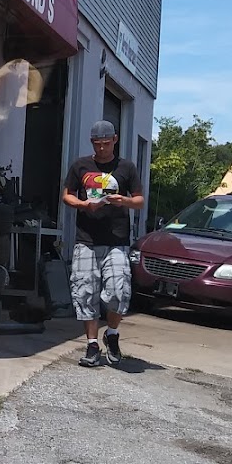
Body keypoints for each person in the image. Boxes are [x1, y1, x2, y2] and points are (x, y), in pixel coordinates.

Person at [62, 120, 145, 367]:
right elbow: (67, 195)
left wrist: (124, 201)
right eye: (97, 144)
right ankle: (91, 344)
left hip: (117, 240)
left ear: (115, 140)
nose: (102, 148)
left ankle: (112, 334)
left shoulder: (126, 167)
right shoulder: (80, 166)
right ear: (92, 142)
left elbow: (139, 200)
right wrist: (84, 205)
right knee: (85, 291)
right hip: (86, 239)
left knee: (119, 291)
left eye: (106, 143)